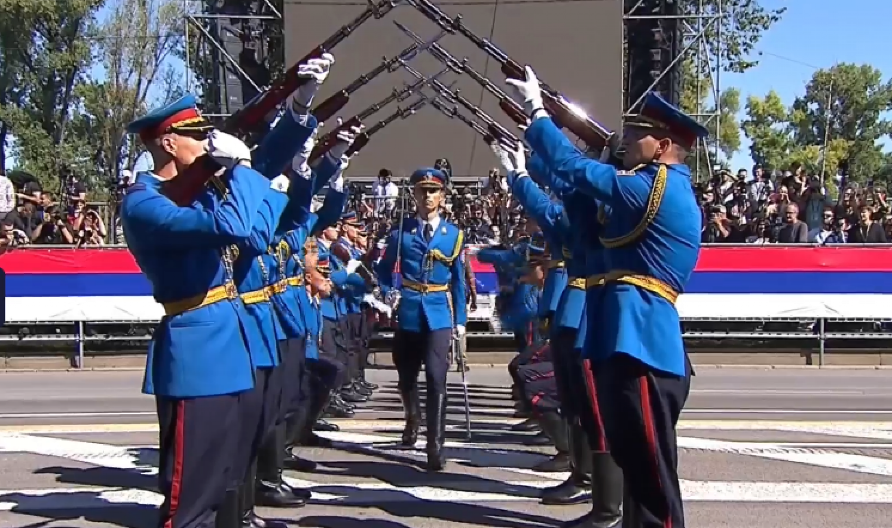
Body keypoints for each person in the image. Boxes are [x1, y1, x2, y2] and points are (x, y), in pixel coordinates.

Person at [505, 67, 703, 528]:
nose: (628, 139)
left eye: (638, 134)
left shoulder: (657, 188)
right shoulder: (644, 189)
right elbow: (580, 210)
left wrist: (539, 114)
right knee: (638, 474)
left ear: (664, 146)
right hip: (626, 345)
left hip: (645, 351)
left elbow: (578, 172)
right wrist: (531, 165)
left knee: (654, 487)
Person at [121, 94, 287, 528]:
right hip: (196, 351)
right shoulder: (144, 202)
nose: (209, 142)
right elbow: (230, 226)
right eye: (199, 137)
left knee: (223, 482)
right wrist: (243, 170)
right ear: (170, 143)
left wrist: (296, 115)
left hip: (230, 346)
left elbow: (255, 232)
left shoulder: (197, 194)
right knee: (189, 500)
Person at [376, 167, 467, 471]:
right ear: (413, 194)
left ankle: (435, 446)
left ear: (442, 196)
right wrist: (389, 292)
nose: (427, 196)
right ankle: (412, 417)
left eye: (433, 191)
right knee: (406, 377)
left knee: (436, 378)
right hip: (410, 310)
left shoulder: (453, 235)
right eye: (422, 190)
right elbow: (383, 269)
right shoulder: (401, 233)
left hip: (440, 312)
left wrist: (461, 321)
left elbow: (458, 281)